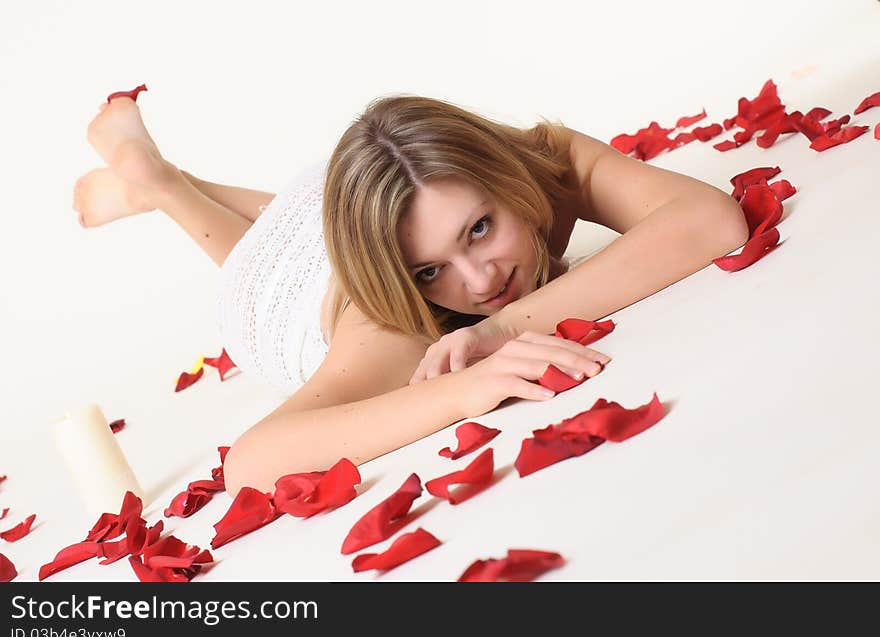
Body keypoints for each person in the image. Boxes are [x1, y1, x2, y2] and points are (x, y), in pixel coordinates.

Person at [74, 93, 749, 496]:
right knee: (266, 255)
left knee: (302, 218)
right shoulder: (393, 318)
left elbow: (712, 221)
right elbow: (251, 463)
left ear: (502, 170)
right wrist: (460, 391)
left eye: (480, 229)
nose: (480, 282)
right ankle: (163, 186)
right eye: (433, 270)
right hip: (280, 300)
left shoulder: (547, 161)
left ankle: (163, 177)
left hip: (340, 201)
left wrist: (505, 330)